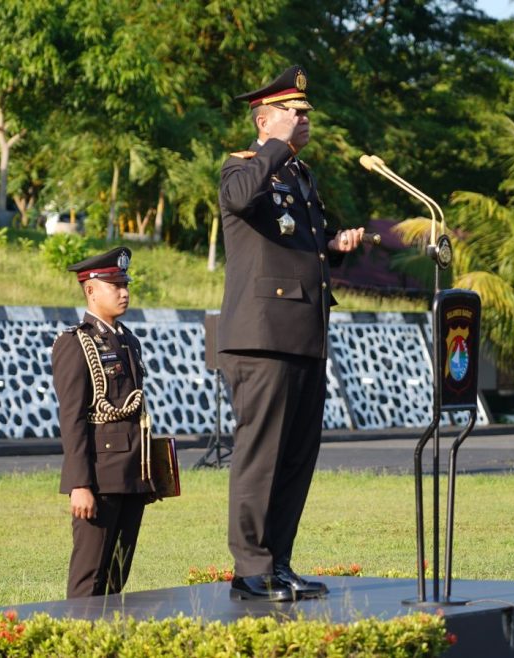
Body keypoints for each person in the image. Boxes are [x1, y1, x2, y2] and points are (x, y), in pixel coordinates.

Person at [217, 65, 366, 602]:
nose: (304, 119)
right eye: (293, 111)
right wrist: (274, 148)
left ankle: (278, 563)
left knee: (297, 458)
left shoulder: (299, 176)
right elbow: (239, 203)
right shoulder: (244, 166)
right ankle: (250, 567)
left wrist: (333, 243)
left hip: (304, 335)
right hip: (261, 339)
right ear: (264, 118)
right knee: (261, 457)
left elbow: (292, 243)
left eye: (305, 112)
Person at [51, 246, 154, 598]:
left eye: (125, 284)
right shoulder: (75, 343)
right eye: (115, 286)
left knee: (116, 574)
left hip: (132, 475)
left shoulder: (128, 340)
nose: (124, 292)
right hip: (100, 477)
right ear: (91, 290)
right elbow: (73, 419)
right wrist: (79, 484)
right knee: (89, 577)